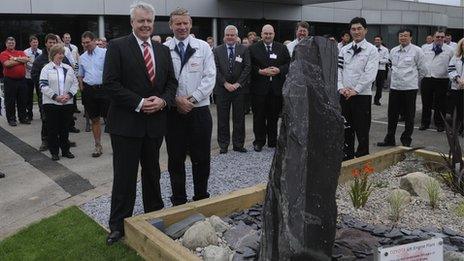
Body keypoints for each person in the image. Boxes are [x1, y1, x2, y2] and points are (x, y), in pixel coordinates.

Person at [103, 1, 177, 245]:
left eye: (149, 21)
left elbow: (171, 84)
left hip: (155, 123)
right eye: (140, 21)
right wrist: (139, 102)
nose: (145, 25)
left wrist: (164, 101)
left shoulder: (163, 50)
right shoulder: (117, 47)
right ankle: (118, 226)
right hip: (126, 125)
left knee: (152, 173)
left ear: (153, 23)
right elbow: (111, 84)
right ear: (132, 23)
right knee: (124, 176)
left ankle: (154, 216)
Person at [164, 7, 216, 206]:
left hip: (199, 111)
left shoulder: (203, 47)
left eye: (185, 23)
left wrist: (191, 100)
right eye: (178, 23)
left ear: (191, 24)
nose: (182, 27)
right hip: (173, 112)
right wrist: (176, 100)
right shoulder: (164, 49)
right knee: (175, 158)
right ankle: (179, 200)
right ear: (171, 26)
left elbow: (210, 77)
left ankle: (201, 196)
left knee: (201, 157)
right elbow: (161, 81)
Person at [377, 28, 427, 147]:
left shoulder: (417, 51)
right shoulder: (393, 51)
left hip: (409, 88)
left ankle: (406, 140)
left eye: (405, 36)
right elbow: (390, 66)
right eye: (401, 35)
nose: (403, 38)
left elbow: (423, 70)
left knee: (409, 116)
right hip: (395, 88)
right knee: (392, 115)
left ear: (411, 38)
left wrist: (413, 80)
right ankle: (389, 138)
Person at [338, 17, 379, 160]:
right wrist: (341, 88)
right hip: (344, 95)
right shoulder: (344, 49)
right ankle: (346, 156)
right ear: (350, 31)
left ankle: (362, 158)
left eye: (359, 28)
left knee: (362, 130)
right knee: (345, 128)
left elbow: (370, 74)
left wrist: (356, 90)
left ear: (365, 30)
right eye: (353, 29)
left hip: (361, 96)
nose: (356, 32)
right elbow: (339, 71)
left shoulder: (372, 50)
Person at [249, 24, 290, 152]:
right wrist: (260, 71)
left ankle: (272, 141)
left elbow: (288, 63)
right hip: (259, 89)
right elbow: (249, 66)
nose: (268, 36)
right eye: (265, 33)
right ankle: (259, 142)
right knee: (259, 117)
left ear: (274, 34)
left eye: (270, 34)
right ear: (261, 34)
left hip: (276, 89)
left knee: (273, 117)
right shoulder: (253, 48)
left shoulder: (282, 48)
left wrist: (279, 70)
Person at [32, 34, 75, 151]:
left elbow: (72, 79)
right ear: (45, 43)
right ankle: (46, 141)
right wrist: (51, 93)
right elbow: (36, 77)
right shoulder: (40, 60)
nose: (51, 44)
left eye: (53, 42)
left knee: (63, 124)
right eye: (49, 42)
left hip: (65, 100)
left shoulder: (64, 60)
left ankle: (64, 143)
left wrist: (67, 95)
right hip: (47, 98)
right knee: (47, 122)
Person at [213, 25, 251, 154]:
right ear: (224, 37)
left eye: (232, 35)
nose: (230, 37)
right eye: (228, 35)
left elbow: (247, 67)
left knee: (239, 118)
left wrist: (238, 84)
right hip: (222, 90)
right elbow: (215, 69)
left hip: (238, 90)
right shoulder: (217, 50)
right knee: (222, 119)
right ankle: (223, 145)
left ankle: (238, 144)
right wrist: (225, 83)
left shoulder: (243, 49)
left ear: (236, 36)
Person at [39, 44, 78, 161]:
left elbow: (75, 84)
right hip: (51, 104)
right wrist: (55, 97)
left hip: (67, 103)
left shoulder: (68, 68)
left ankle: (66, 150)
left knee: (64, 128)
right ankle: (54, 152)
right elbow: (43, 85)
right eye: (59, 53)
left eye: (62, 53)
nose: (61, 55)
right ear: (53, 55)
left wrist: (69, 95)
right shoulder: (46, 68)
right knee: (53, 129)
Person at [78, 31, 108, 157]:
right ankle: (98, 145)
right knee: (94, 119)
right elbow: (80, 74)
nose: (85, 45)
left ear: (94, 41)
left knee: (112, 118)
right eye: (83, 43)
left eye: (88, 42)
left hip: (105, 90)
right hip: (89, 90)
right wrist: (82, 87)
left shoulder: (105, 53)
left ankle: (119, 146)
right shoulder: (82, 57)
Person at [420, 30, 454, 132]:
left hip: (442, 80)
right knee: (426, 102)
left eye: (442, 37)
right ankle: (425, 123)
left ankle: (440, 124)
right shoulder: (424, 48)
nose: (440, 39)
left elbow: (452, 64)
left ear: (444, 38)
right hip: (427, 78)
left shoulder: (450, 50)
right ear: (433, 37)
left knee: (441, 103)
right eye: (438, 37)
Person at [0, 37, 30, 126]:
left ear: (15, 43)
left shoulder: (20, 52)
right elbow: (7, 64)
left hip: (22, 80)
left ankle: (23, 118)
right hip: (10, 80)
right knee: (10, 101)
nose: (11, 44)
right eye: (9, 43)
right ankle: (11, 119)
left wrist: (15, 59)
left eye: (12, 43)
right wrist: (21, 60)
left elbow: (27, 59)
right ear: (6, 44)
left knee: (23, 100)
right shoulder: (3, 53)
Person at [24, 35, 42, 120]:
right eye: (33, 42)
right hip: (29, 77)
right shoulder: (26, 52)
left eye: (36, 42)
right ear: (30, 43)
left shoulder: (41, 52)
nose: (35, 44)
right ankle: (29, 114)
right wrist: (34, 69)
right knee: (29, 96)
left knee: (40, 96)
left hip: (38, 77)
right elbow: (25, 64)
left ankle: (42, 113)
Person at [448, 38, 464, 134]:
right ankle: (456, 129)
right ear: (461, 46)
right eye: (463, 44)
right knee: (456, 109)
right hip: (456, 87)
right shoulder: (456, 56)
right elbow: (451, 69)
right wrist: (458, 79)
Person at [372, 35, 389, 106]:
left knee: (379, 86)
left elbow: (387, 60)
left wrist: (378, 61)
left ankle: (377, 100)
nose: (377, 41)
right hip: (372, 69)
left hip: (381, 70)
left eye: (378, 40)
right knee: (369, 85)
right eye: (376, 40)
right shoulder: (371, 48)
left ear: (381, 41)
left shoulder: (385, 49)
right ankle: (368, 99)